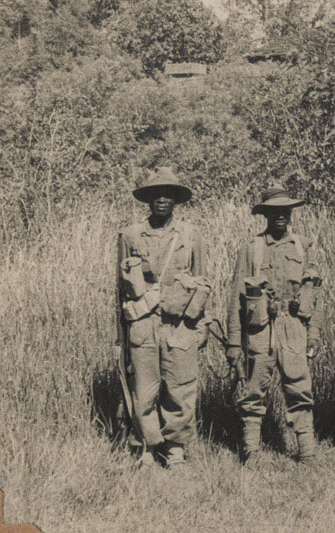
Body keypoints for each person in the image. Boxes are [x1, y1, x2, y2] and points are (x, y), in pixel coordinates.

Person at [226, 183, 323, 467]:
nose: (280, 215)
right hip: (260, 330)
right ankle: (251, 452)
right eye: (274, 211)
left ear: (291, 213)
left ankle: (307, 452)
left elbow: (314, 295)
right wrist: (234, 342)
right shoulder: (250, 249)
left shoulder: (303, 247)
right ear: (265, 213)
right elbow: (235, 299)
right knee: (254, 390)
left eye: (285, 210)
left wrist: (314, 333)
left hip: (294, 328)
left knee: (300, 389)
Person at [117, 167, 206, 469]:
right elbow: (119, 293)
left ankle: (175, 450)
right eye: (156, 194)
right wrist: (120, 340)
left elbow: (202, 282)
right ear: (148, 200)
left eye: (168, 194)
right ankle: (145, 448)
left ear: (177, 200)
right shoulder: (129, 235)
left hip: (180, 325)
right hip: (142, 325)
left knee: (180, 389)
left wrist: (201, 328)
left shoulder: (191, 235)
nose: (162, 199)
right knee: (143, 391)